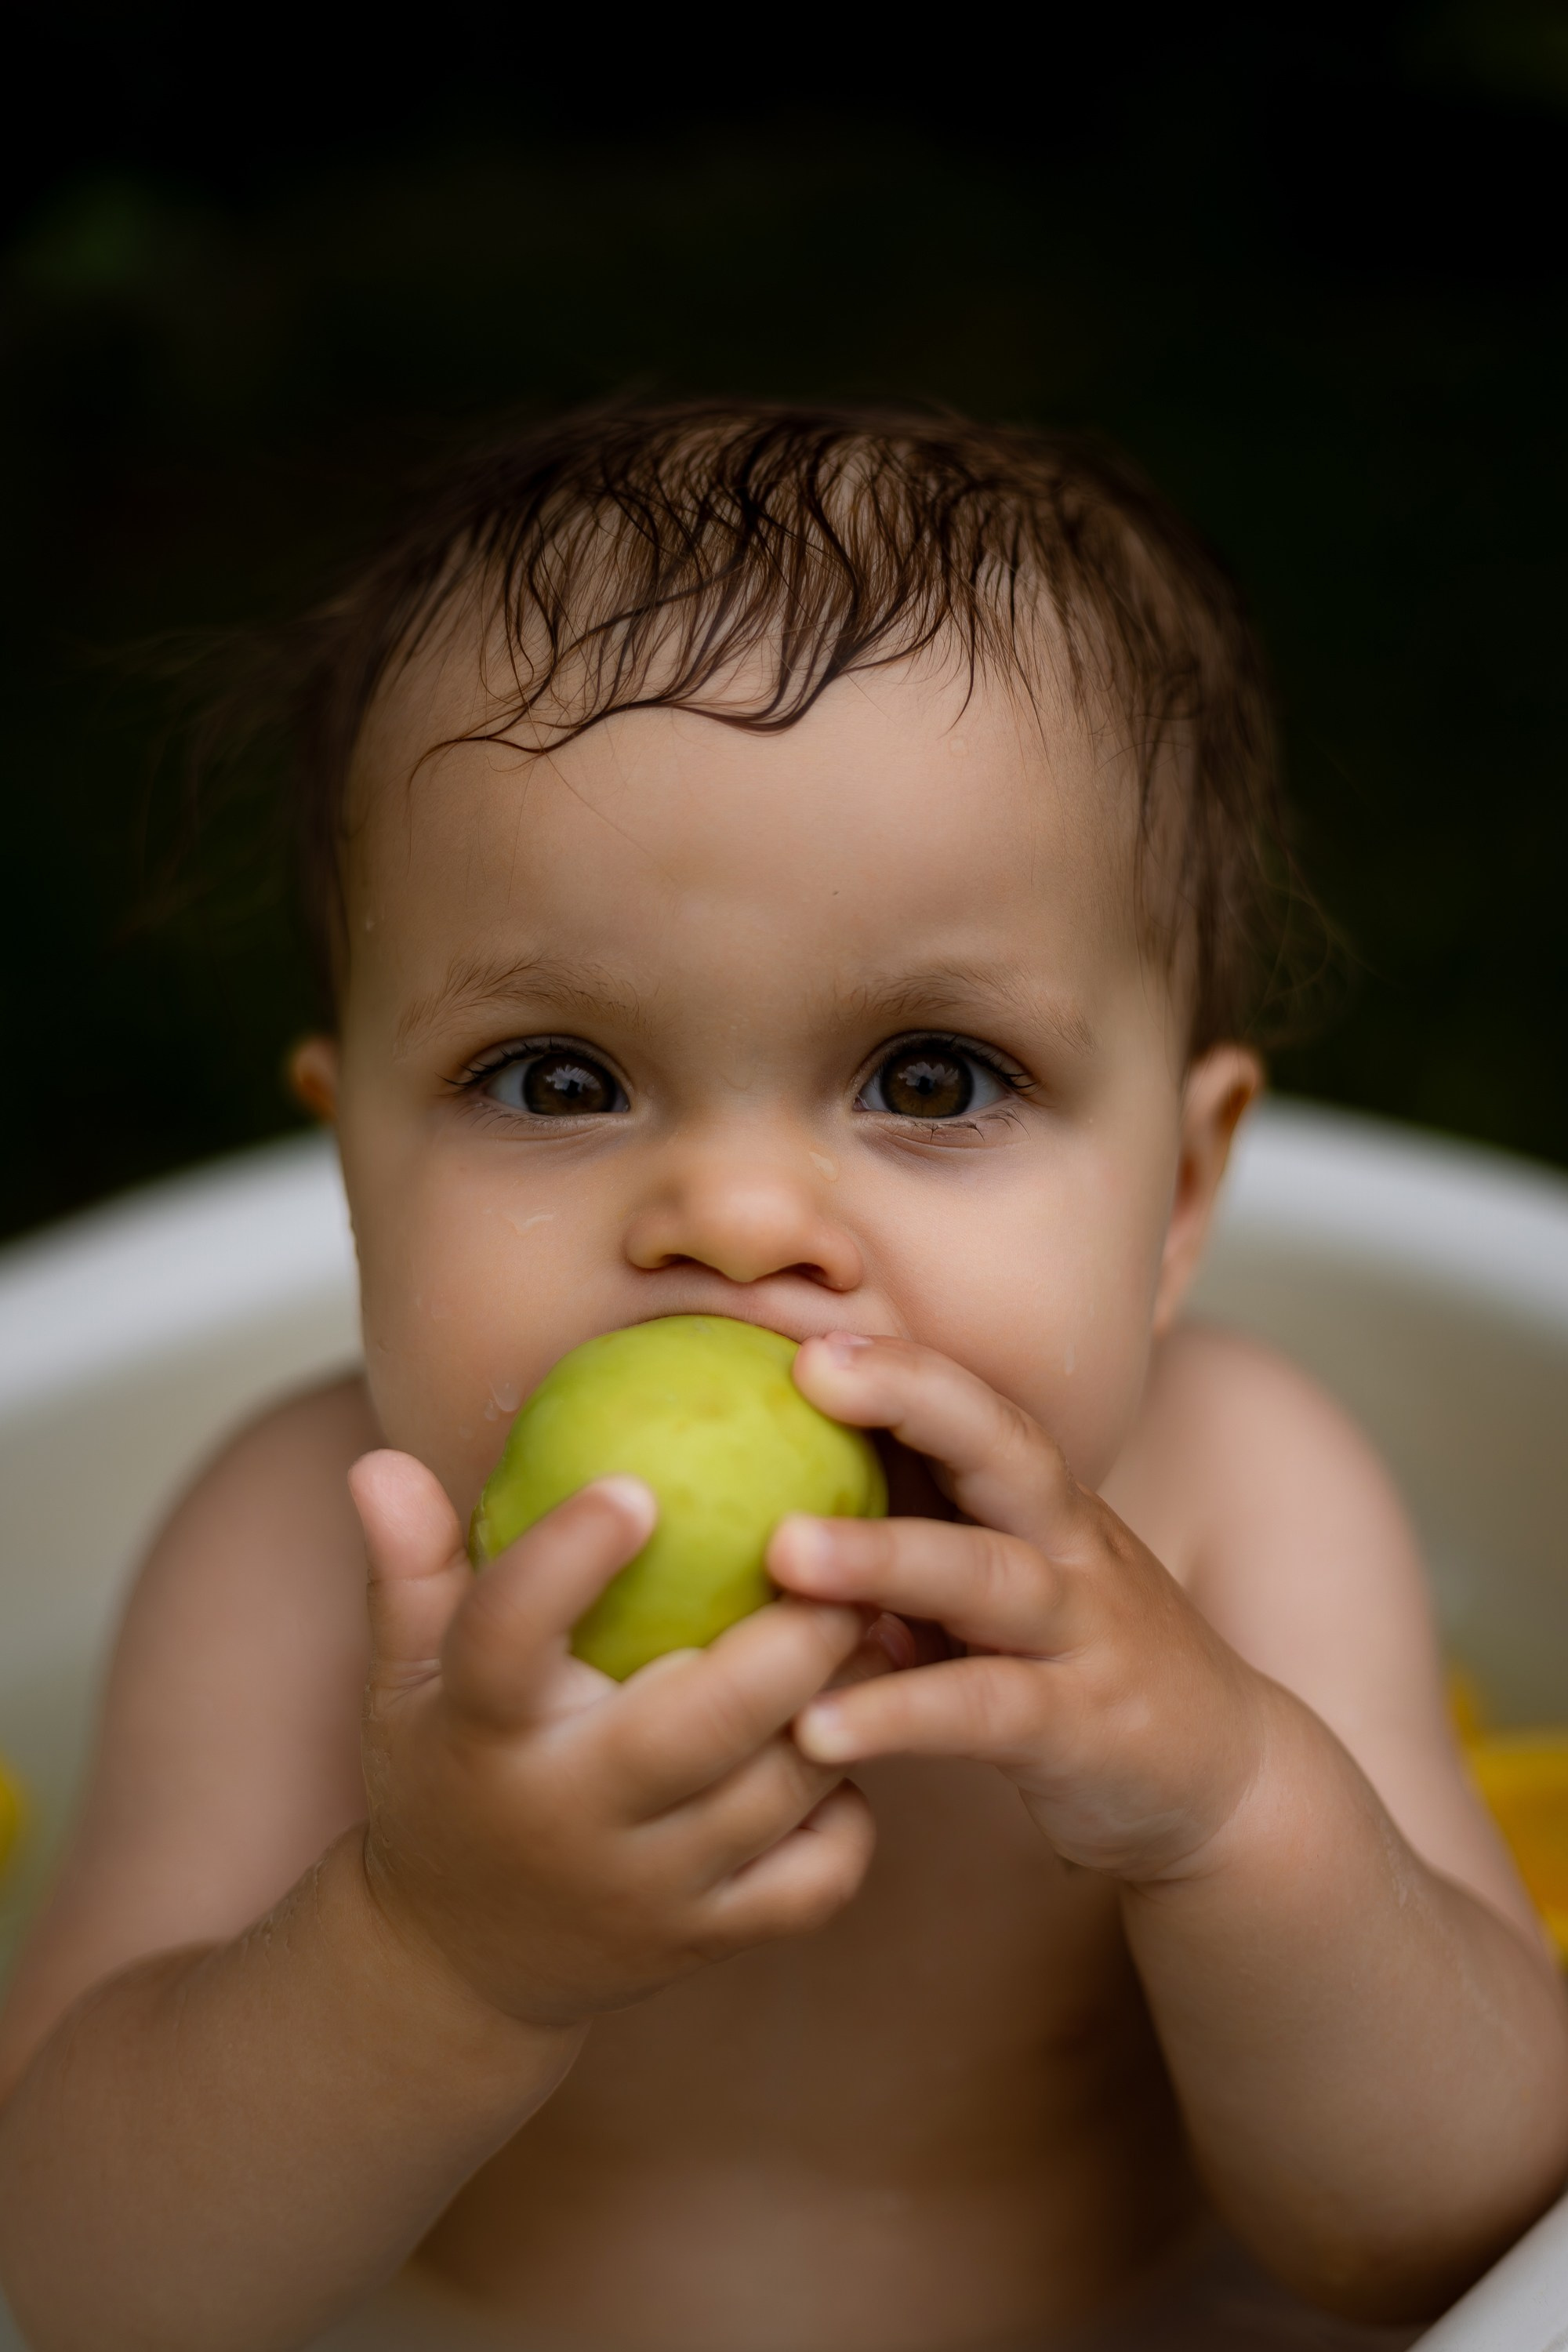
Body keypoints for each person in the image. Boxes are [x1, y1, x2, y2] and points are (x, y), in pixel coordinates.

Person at [2, 403, 1563, 2352]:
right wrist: (425, 1952)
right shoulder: (304, 1551)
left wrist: (1229, 1804)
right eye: (554, 1079)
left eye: (932, 1076)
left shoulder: (1247, 1500)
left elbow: (1463, 2235)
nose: (737, 1219)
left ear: (1174, 1191)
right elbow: (63, 2278)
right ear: (355, 1174)